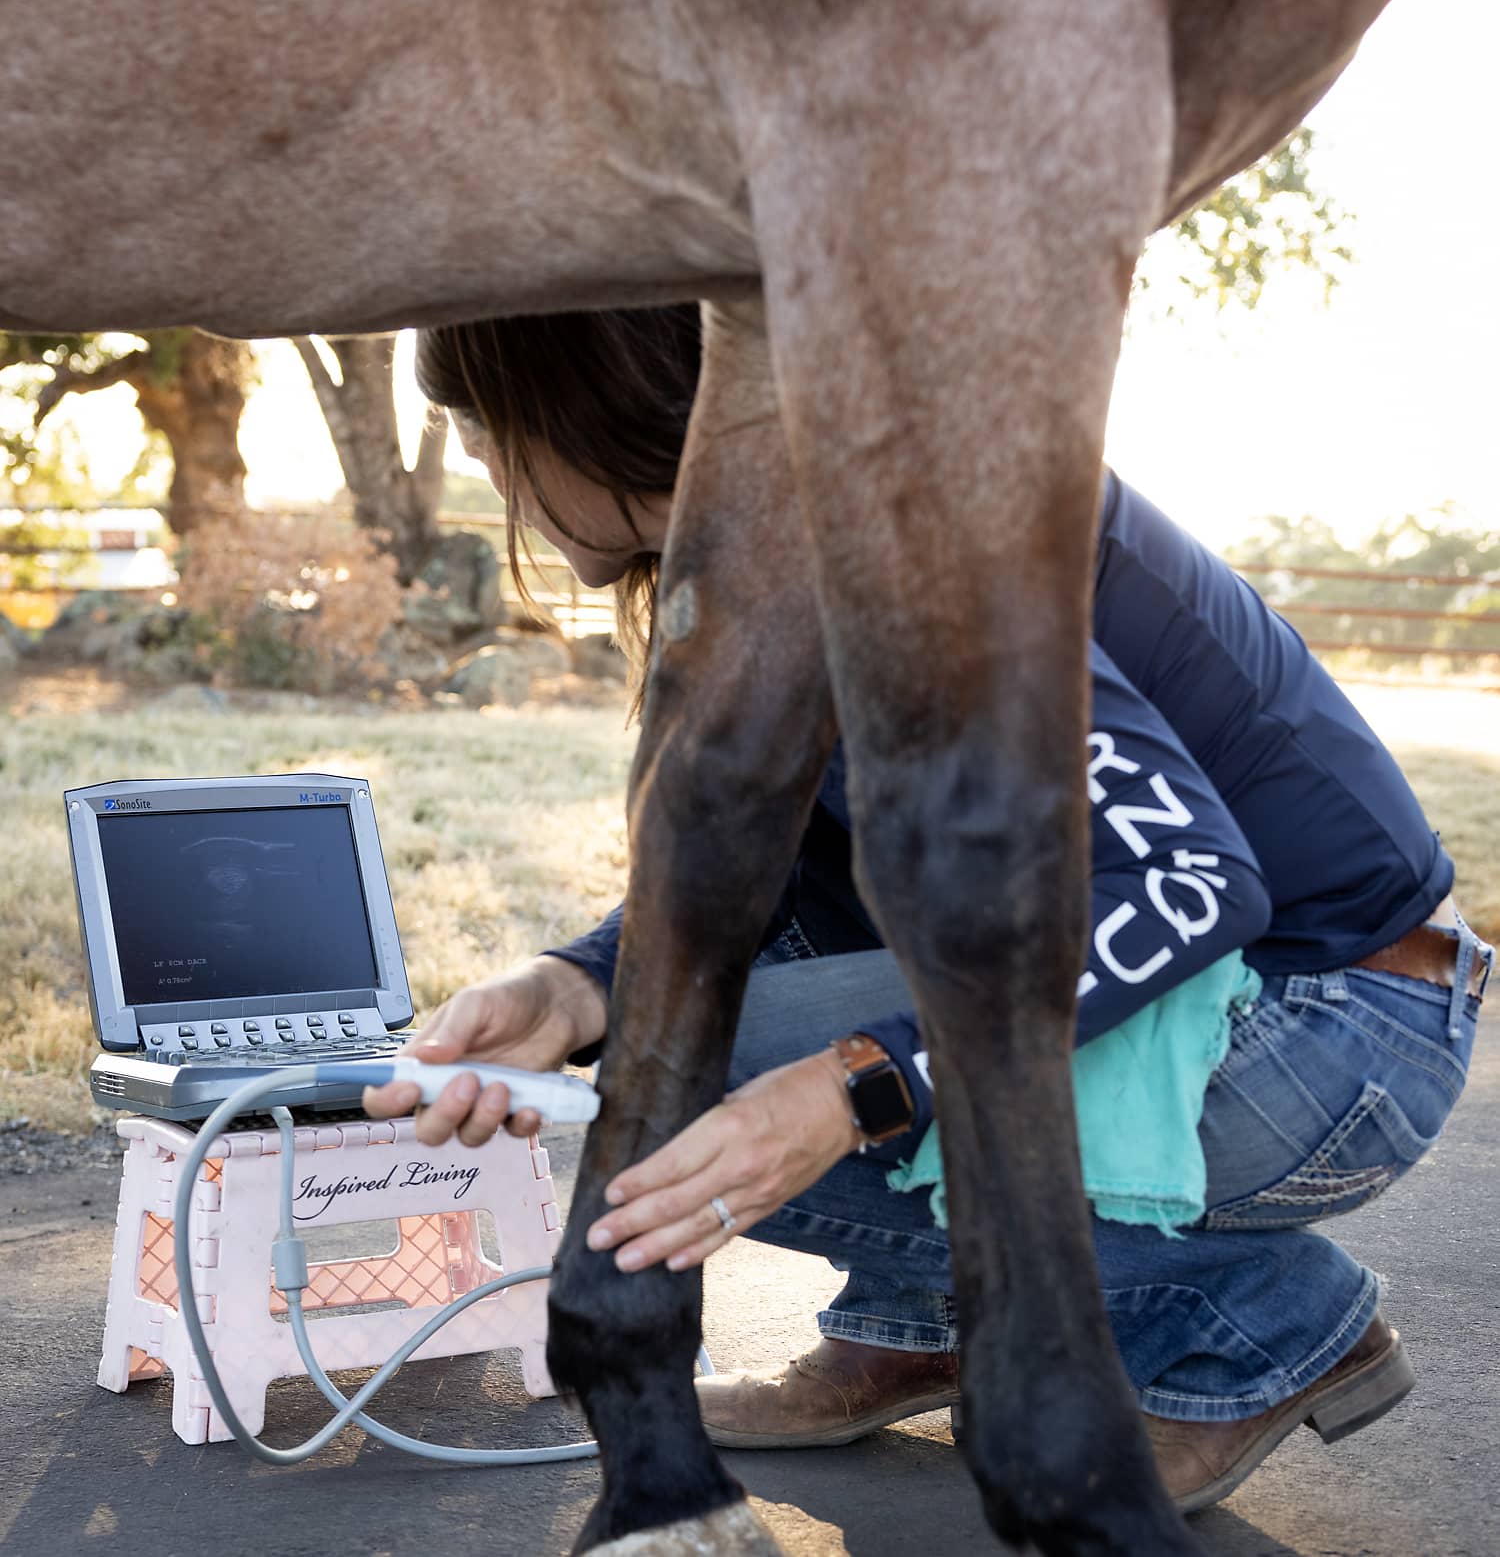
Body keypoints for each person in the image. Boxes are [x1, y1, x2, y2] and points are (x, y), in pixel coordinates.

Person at [366, 305, 1488, 1513]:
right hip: (1235, 1009)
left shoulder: (911, 528)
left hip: (1331, 1023)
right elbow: (785, 876)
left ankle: (1250, 1321)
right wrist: (576, 982)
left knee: (703, 1066)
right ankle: (917, 1325)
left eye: (480, 423)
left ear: (585, 394)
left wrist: (859, 1082)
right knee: (677, 1026)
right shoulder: (778, 538)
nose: (481, 462)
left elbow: (1190, 883)